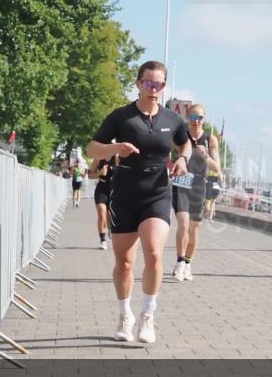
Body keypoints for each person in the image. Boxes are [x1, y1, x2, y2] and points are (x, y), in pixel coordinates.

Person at [87, 61, 191, 344]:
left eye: (158, 84)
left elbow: (185, 143)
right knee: (124, 263)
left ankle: (147, 315)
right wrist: (113, 148)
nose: (153, 89)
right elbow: (92, 147)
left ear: (164, 87)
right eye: (148, 83)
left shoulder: (173, 120)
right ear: (138, 83)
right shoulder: (121, 117)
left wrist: (183, 158)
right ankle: (125, 314)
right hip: (124, 193)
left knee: (155, 254)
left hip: (157, 192)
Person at [171, 105, 221, 281]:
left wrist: (205, 156)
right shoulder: (181, 135)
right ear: (188, 118)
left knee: (193, 230)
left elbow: (218, 168)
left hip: (199, 184)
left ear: (204, 119)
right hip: (182, 181)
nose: (196, 121)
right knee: (183, 224)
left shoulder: (210, 140)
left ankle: (188, 263)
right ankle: (179, 263)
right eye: (193, 117)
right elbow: (166, 154)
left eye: (199, 117)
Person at [90, 156, 116, 250]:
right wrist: (100, 173)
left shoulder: (117, 158)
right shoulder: (97, 159)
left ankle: (110, 227)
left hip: (114, 189)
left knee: (110, 214)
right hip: (101, 189)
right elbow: (90, 175)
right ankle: (102, 240)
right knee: (102, 214)